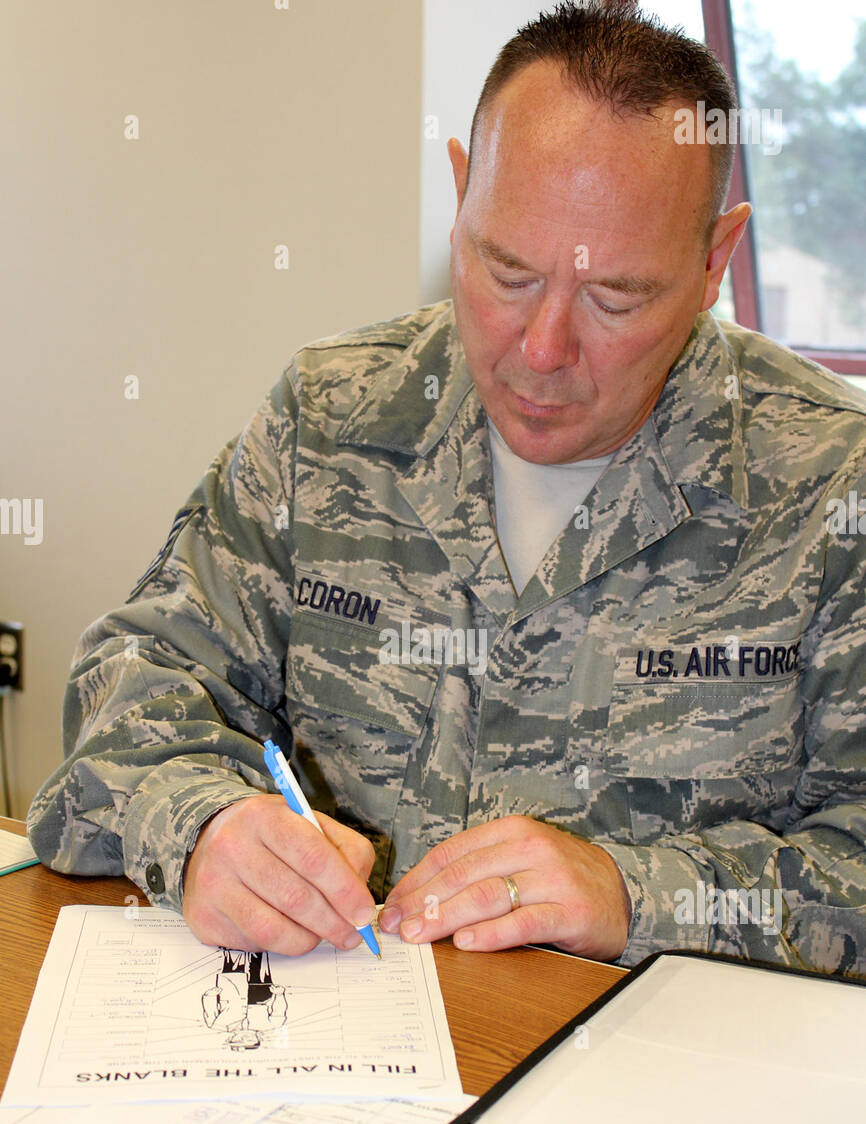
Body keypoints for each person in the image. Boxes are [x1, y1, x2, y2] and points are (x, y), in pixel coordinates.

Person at [28, 3, 866, 977]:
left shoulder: (827, 484)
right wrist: (204, 821)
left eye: (615, 298)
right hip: (333, 1063)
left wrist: (638, 893)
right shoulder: (330, 420)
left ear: (714, 259)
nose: (541, 350)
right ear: (463, 193)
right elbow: (130, 684)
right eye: (505, 272)